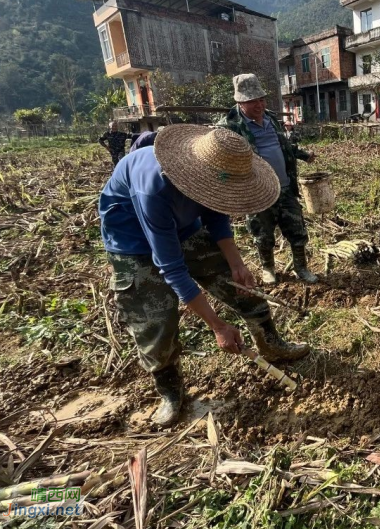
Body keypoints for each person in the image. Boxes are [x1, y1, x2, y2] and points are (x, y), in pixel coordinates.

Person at [99, 125, 310, 427]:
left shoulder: (212, 174)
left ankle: (271, 344)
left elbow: (215, 210)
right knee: (155, 318)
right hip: (133, 243)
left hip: (186, 228)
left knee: (238, 284)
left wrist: (236, 262)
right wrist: (218, 326)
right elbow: (171, 266)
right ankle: (170, 390)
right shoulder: (153, 187)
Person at [217, 74, 318, 285]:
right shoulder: (229, 127)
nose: (259, 104)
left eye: (261, 99)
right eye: (253, 101)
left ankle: (301, 267)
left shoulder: (271, 118)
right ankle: (268, 268)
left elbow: (283, 146)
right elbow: (221, 160)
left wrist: (303, 155)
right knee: (262, 234)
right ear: (240, 102)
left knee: (297, 229)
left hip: (285, 186)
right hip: (257, 192)